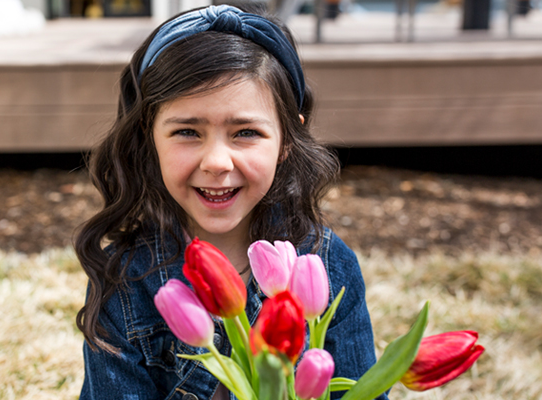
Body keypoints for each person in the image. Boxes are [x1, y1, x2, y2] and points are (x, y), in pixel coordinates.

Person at [75, 5, 387, 400]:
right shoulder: (126, 278)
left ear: (287, 140)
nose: (217, 163)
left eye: (246, 132)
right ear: (148, 136)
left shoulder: (325, 265)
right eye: (188, 131)